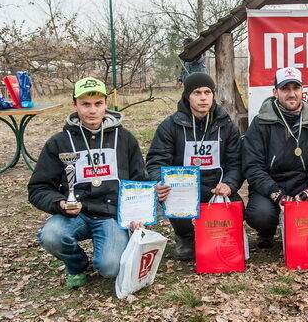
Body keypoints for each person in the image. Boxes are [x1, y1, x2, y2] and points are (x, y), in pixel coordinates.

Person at [28, 77, 148, 288]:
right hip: (76, 215)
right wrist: (61, 204)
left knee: (110, 268)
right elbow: (39, 187)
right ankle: (77, 265)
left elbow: (139, 181)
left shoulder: (125, 139)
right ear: (74, 105)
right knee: (51, 235)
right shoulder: (59, 142)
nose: (92, 110)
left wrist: (137, 216)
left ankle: (112, 247)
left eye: (97, 104)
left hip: (111, 215)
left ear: (106, 104)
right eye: (85, 104)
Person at [242, 67, 308, 248]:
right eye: (285, 89)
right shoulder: (260, 123)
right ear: (275, 92)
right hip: (271, 187)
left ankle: (307, 226)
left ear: (302, 91)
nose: (291, 94)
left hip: (302, 183)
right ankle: (267, 232)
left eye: (295, 88)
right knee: (260, 215)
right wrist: (277, 195)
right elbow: (253, 166)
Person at [146, 72, 243, 260]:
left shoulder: (226, 125)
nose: (203, 97)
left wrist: (229, 184)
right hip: (184, 189)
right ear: (187, 96)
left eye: (207, 92)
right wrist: (159, 182)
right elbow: (156, 160)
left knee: (239, 207)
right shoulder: (170, 126)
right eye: (197, 92)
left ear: (213, 95)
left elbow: (236, 162)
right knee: (171, 196)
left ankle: (218, 233)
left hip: (216, 187)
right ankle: (186, 237)